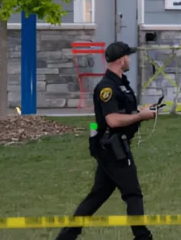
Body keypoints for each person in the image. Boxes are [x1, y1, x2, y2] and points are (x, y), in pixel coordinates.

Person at [55, 41, 157, 240]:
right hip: (112, 147)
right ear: (121, 59)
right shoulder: (107, 88)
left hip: (114, 145)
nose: (129, 59)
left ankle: (66, 237)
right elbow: (112, 119)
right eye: (127, 56)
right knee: (133, 194)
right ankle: (143, 237)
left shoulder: (121, 83)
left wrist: (143, 111)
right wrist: (140, 117)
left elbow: (124, 112)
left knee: (98, 195)